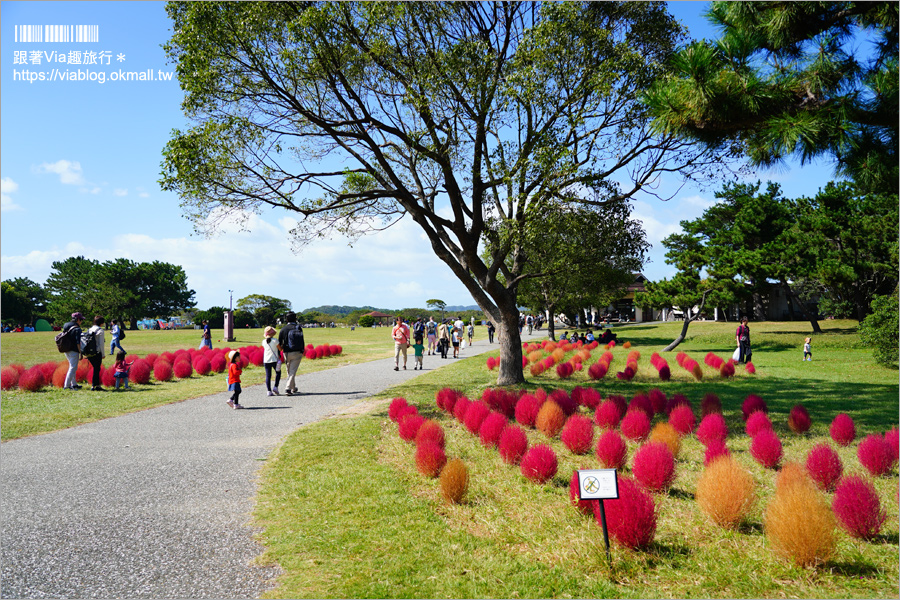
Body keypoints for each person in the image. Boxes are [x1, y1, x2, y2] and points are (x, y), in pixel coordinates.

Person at [278, 312, 305, 396]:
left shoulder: (283, 329)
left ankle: (293, 387)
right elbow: (302, 340)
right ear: (295, 319)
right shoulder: (298, 328)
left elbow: (279, 342)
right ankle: (288, 388)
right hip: (297, 352)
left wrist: (279, 353)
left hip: (286, 352)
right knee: (292, 371)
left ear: (286, 319)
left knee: (289, 370)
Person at [61, 312, 85, 390]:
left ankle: (74, 384)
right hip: (73, 350)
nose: (81, 321)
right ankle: (66, 386)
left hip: (66, 349)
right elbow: (78, 342)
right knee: (73, 368)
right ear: (78, 319)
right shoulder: (77, 329)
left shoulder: (66, 325)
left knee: (72, 367)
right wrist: (80, 352)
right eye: (81, 319)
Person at [84, 315, 106, 391]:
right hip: (97, 352)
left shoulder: (89, 329)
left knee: (95, 368)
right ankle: (95, 385)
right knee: (97, 369)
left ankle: (95, 385)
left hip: (88, 352)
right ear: (101, 323)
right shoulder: (100, 331)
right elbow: (101, 344)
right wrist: (102, 354)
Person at [262, 326, 283, 396]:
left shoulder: (263, 342)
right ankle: (276, 387)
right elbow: (280, 349)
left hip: (266, 360)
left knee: (268, 375)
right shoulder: (275, 341)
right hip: (274, 359)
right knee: (278, 373)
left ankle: (268, 390)